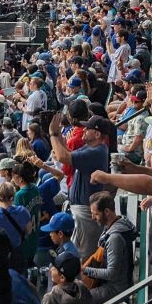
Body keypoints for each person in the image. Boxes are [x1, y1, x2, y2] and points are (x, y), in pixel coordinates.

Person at [48, 110, 109, 261]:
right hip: (81, 209)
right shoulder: (90, 147)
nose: (85, 130)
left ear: (97, 134)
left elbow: (63, 156)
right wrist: (59, 136)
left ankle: (85, 284)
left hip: (86, 212)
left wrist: (53, 135)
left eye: (88, 128)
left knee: (84, 256)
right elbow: (69, 154)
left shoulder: (97, 151)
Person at [83, 191, 137, 304]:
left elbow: (111, 274)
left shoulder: (115, 238)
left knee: (77, 301)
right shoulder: (118, 223)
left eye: (96, 214)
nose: (93, 217)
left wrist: (85, 270)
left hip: (116, 290)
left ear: (107, 211)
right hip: (117, 284)